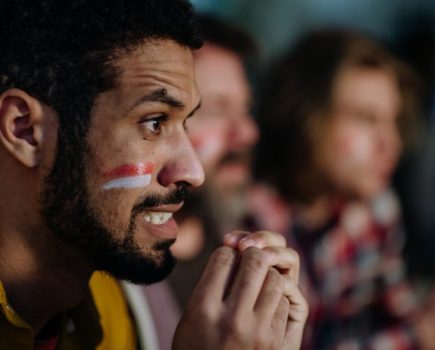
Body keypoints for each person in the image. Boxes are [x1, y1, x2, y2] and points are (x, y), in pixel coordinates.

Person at [0, 1, 308, 349]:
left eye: (188, 122)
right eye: (155, 122)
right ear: (24, 130)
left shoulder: (106, 310)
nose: (193, 173)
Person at [252, 29, 435, 349]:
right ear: (305, 115)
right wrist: (417, 335)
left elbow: (399, 311)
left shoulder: (374, 211)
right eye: (365, 119)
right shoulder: (253, 225)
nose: (390, 142)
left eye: (392, 121)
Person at [167, 15, 260, 309]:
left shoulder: (252, 249)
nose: (247, 133)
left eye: (245, 109)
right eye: (217, 110)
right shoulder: (106, 278)